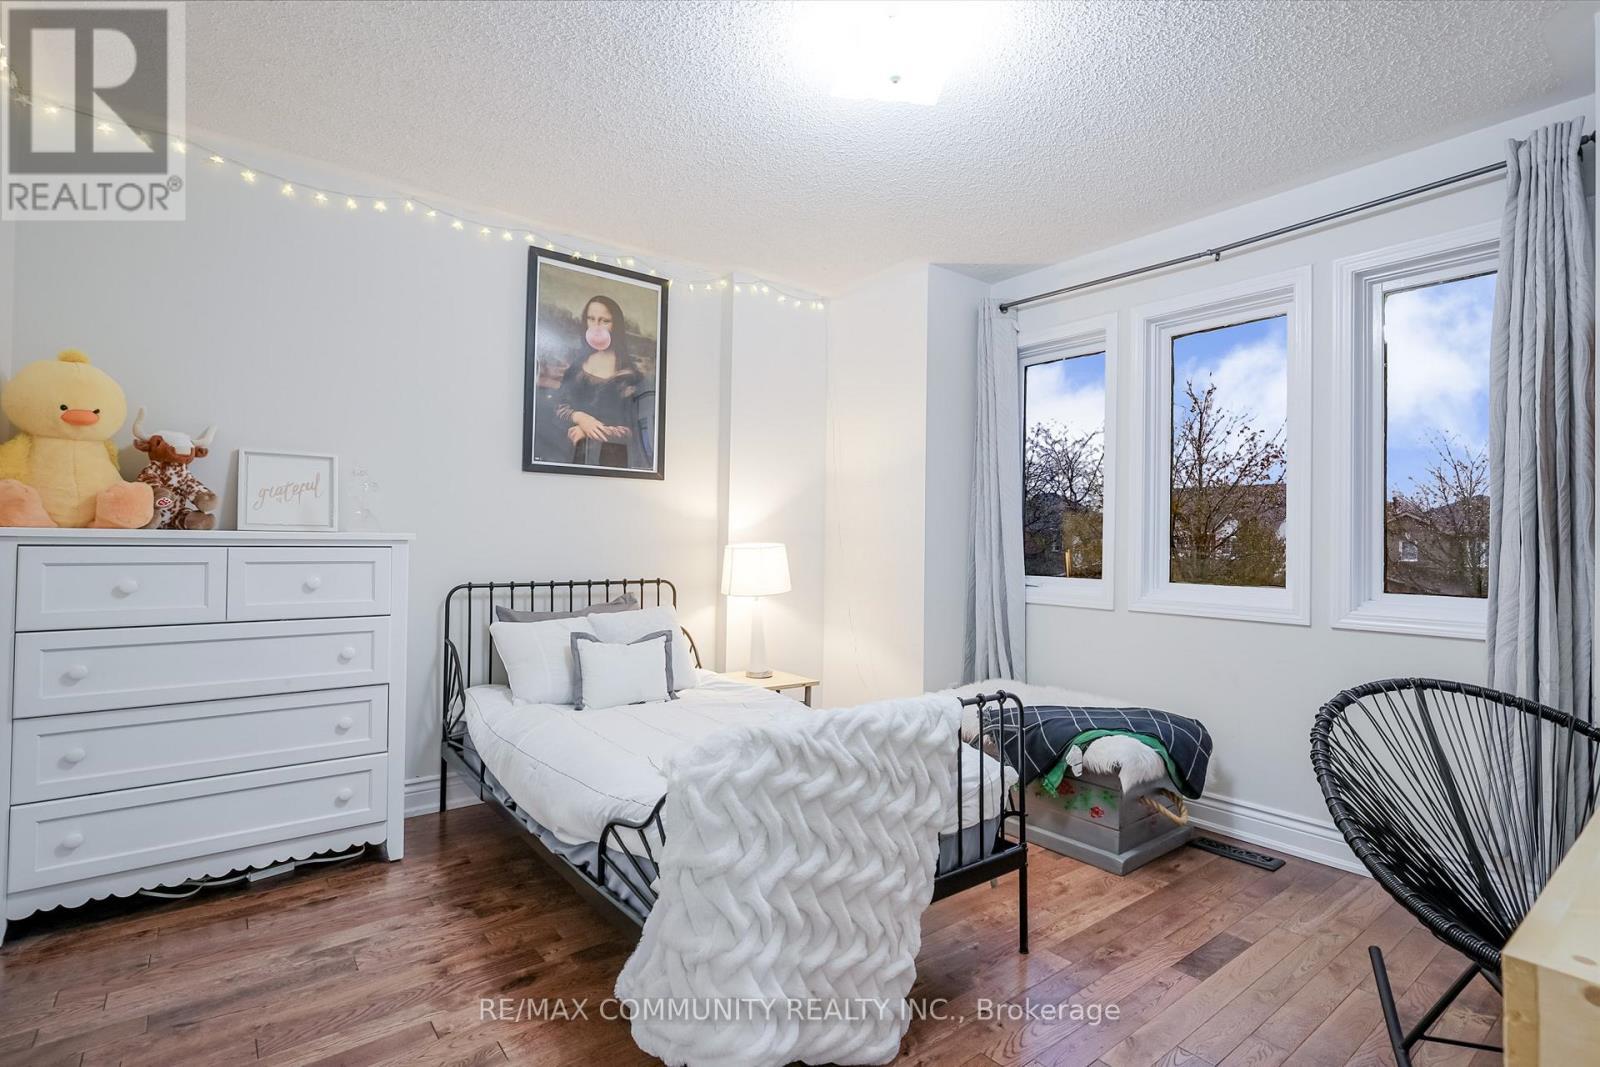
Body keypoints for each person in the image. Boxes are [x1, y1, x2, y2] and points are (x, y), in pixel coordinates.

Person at [552, 295, 647, 468]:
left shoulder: (630, 376)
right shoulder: (576, 366)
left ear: (615, 325)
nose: (596, 326)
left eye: (604, 321)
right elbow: (559, 405)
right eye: (591, 319)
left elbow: (631, 430)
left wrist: (587, 430)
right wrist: (580, 417)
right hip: (572, 459)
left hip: (611, 461)